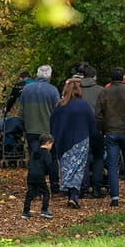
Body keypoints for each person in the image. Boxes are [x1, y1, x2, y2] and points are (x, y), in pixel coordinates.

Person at [95, 67, 125, 207]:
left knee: (112, 164)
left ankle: (114, 196)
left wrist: (103, 128)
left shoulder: (104, 92)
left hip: (110, 131)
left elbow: (98, 114)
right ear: (123, 77)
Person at [50, 78, 98, 208]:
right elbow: (92, 123)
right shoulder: (83, 105)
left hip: (63, 141)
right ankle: (74, 195)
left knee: (66, 167)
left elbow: (52, 124)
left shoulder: (60, 105)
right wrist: (94, 136)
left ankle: (68, 189)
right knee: (78, 167)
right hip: (80, 139)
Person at [17, 65, 61, 193]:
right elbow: (57, 112)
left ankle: (34, 190)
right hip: (48, 131)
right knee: (52, 159)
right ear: (50, 76)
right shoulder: (53, 91)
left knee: (34, 159)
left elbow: (20, 112)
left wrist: (23, 127)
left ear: (37, 75)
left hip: (31, 130)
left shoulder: (26, 90)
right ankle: (55, 188)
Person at [79, 65, 106, 198]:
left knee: (83, 158)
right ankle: (97, 188)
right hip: (97, 128)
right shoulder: (101, 90)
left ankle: (83, 189)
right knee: (98, 157)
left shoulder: (77, 90)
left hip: (80, 128)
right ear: (95, 77)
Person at [21, 133, 55, 219]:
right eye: (51, 145)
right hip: (40, 175)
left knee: (30, 193)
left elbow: (30, 163)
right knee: (46, 192)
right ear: (48, 143)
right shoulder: (46, 153)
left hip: (31, 175)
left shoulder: (34, 152)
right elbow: (48, 165)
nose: (51, 147)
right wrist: (46, 173)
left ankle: (25, 211)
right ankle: (44, 210)